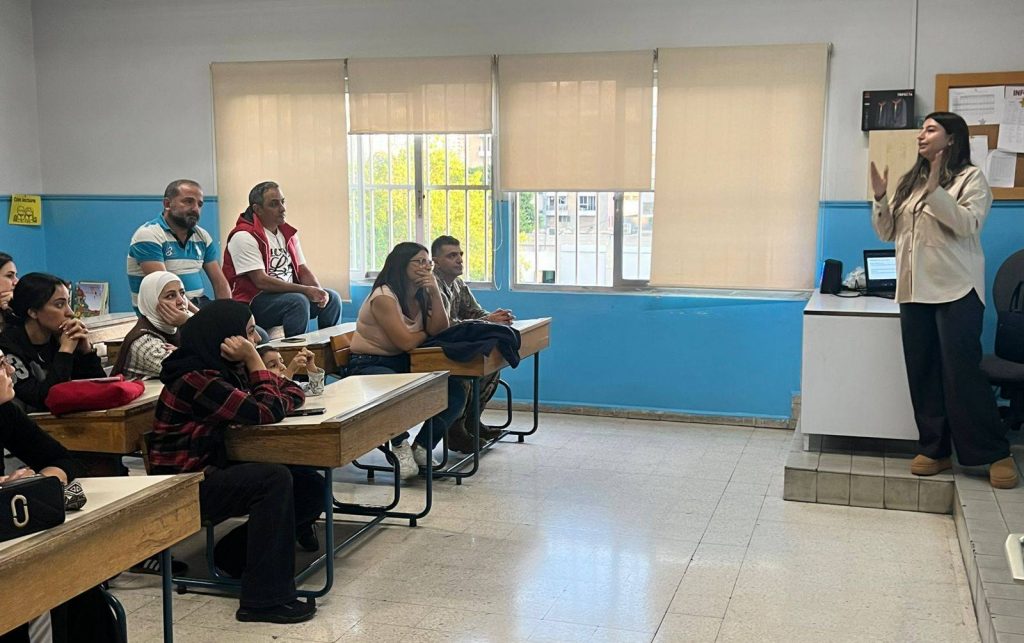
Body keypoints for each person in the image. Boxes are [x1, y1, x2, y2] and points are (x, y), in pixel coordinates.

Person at [148, 300, 324, 624]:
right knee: (273, 480)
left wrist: (258, 373)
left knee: (310, 484)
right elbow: (267, 410)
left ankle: (232, 556)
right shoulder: (197, 378)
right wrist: (255, 360)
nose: (254, 340)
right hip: (182, 485)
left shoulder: (221, 368)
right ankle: (263, 600)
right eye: (248, 333)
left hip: (210, 469)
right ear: (225, 337)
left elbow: (287, 393)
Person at [870, 111, 1018, 489]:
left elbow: (967, 225)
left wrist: (936, 190)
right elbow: (888, 233)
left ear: (951, 138)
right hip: (914, 291)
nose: (921, 135)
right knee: (923, 373)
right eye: (922, 129)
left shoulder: (972, 179)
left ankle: (994, 453)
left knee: (961, 374)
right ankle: (934, 449)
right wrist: (881, 198)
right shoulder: (911, 182)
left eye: (930, 129)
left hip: (957, 291)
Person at [0, 350, 119, 643]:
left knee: (82, 592)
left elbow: (63, 460)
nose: (11, 370)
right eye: (0, 365)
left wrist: (39, 481)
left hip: (13, 544)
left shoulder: (4, 412)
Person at [347, 242, 467, 477]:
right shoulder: (384, 296)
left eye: (428, 262)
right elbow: (405, 342)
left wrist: (434, 293)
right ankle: (400, 446)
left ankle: (422, 446)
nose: (426, 267)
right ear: (402, 265)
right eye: (419, 262)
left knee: (455, 391)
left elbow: (440, 329)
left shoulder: (422, 293)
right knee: (397, 390)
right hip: (369, 363)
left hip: (403, 361)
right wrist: (425, 333)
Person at [223, 181, 341, 338]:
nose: (282, 208)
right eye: (274, 204)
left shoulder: (288, 234)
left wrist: (318, 292)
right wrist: (305, 290)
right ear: (257, 209)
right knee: (298, 301)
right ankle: (296, 351)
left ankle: (329, 348)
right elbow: (261, 281)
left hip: (288, 296)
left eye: (282, 202)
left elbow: (302, 269)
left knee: (332, 298)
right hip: (254, 302)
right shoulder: (243, 236)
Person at [431, 235, 515, 453]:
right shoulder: (431, 286)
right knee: (467, 371)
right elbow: (447, 326)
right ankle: (455, 430)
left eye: (460, 254)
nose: (459, 259)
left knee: (491, 366)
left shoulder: (458, 284)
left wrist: (497, 318)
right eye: (451, 256)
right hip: (434, 349)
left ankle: (471, 422)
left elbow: (474, 312)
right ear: (436, 261)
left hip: (454, 346)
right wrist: (487, 321)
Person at [0, 273, 105, 412]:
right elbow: (44, 400)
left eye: (68, 303)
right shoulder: (7, 348)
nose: (70, 313)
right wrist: (65, 352)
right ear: (33, 312)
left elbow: (100, 391)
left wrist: (86, 352)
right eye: (59, 305)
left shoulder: (60, 338)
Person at [126, 179, 232, 312]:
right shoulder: (148, 235)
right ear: (167, 204)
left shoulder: (202, 236)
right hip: (166, 312)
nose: (195, 209)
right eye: (188, 202)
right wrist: (202, 318)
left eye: (199, 204)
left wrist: (228, 312)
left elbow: (220, 283)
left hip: (198, 304)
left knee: (247, 321)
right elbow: (166, 289)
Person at [111, 271, 190, 380]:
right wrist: (189, 324)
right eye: (170, 296)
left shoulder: (177, 327)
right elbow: (192, 370)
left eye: (182, 293)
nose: (181, 301)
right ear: (152, 301)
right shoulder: (144, 342)